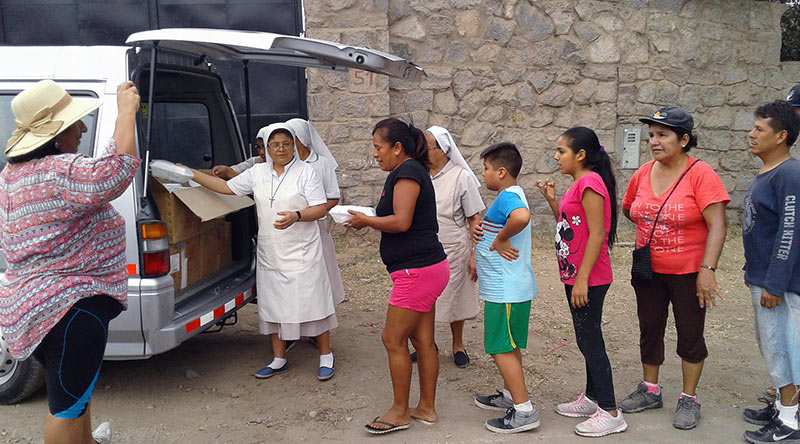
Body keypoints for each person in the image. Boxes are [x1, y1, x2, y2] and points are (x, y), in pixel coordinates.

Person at [0, 80, 140, 444]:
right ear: (54, 134)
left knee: (77, 395)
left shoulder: (14, 175)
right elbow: (117, 169)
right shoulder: (59, 172)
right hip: (68, 308)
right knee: (65, 407)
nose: (82, 128)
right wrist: (126, 112)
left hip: (35, 307)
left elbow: (102, 169)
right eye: (74, 123)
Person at [187, 123, 338, 381]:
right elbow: (226, 188)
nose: (281, 149)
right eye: (275, 145)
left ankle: (325, 355)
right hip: (272, 250)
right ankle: (279, 358)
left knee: (313, 300)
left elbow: (320, 207)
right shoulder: (257, 172)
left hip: (302, 250)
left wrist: (297, 215)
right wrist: (191, 174)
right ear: (266, 148)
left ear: (294, 146)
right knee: (273, 302)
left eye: (286, 144)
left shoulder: (307, 172)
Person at [619, 106, 729, 430]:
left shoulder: (701, 174)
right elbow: (630, 209)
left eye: (662, 135)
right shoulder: (643, 173)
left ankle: (689, 397)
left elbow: (718, 225)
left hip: (688, 272)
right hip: (648, 270)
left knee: (690, 334)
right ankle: (650, 389)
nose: (654, 141)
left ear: (683, 140)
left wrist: (707, 269)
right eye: (651, 135)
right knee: (649, 328)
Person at [345, 118, 449, 435]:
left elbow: (402, 221)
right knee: (423, 340)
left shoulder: (407, 173)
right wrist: (370, 217)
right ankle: (426, 408)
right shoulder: (409, 171)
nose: (375, 153)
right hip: (427, 268)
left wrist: (367, 221)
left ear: (397, 147)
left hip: (417, 271)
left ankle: (400, 412)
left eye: (378, 147)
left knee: (392, 339)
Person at [536, 127, 627, 437]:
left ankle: (611, 411)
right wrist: (553, 201)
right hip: (576, 275)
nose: (556, 156)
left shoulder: (590, 182)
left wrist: (582, 280)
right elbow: (571, 225)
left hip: (589, 277)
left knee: (590, 340)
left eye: (561, 151)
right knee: (586, 337)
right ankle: (592, 398)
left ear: (581, 155)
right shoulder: (579, 183)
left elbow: (598, 233)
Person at [740, 100, 800, 444]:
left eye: (759, 129)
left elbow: (790, 231)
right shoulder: (769, 171)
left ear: (781, 136)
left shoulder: (789, 174)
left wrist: (774, 283)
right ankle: (782, 406)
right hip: (761, 277)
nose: (752, 134)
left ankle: (790, 423)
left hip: (779, 285)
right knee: (771, 345)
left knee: (783, 349)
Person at [471, 142, 540, 434]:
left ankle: (524, 411)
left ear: (501, 172)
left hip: (506, 289)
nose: (483, 173)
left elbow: (521, 217)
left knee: (500, 347)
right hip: (507, 287)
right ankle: (512, 395)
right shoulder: (509, 195)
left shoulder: (509, 196)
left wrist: (499, 240)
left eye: (485, 168)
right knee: (508, 346)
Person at [418, 125, 484, 368]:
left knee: (456, 297)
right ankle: (428, 344)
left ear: (443, 150)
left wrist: (474, 254)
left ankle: (458, 344)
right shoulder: (420, 174)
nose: (423, 152)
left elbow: (474, 218)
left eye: (427, 148)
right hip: (425, 246)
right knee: (425, 298)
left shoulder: (461, 176)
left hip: (454, 246)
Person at [285, 118, 345, 305]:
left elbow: (333, 197)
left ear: (300, 138)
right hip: (292, 225)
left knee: (320, 266)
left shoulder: (321, 163)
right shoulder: (287, 163)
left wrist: (313, 212)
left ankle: (324, 304)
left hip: (316, 225)